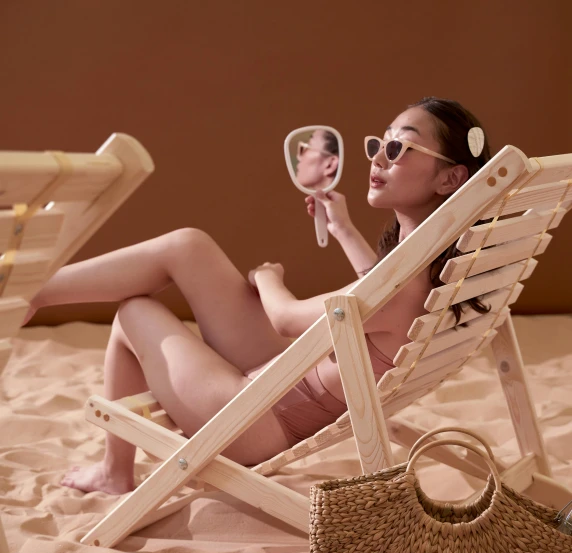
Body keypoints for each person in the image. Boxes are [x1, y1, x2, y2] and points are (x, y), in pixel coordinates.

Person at [22, 96, 491, 495]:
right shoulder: (423, 267)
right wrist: (343, 229)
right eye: (379, 143)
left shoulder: (403, 281)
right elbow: (376, 298)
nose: (378, 157)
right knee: (189, 246)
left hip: (253, 422)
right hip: (282, 383)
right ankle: (34, 292)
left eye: (398, 146)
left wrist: (268, 279)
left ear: (450, 179)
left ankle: (113, 471)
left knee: (134, 313)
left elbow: (288, 320)